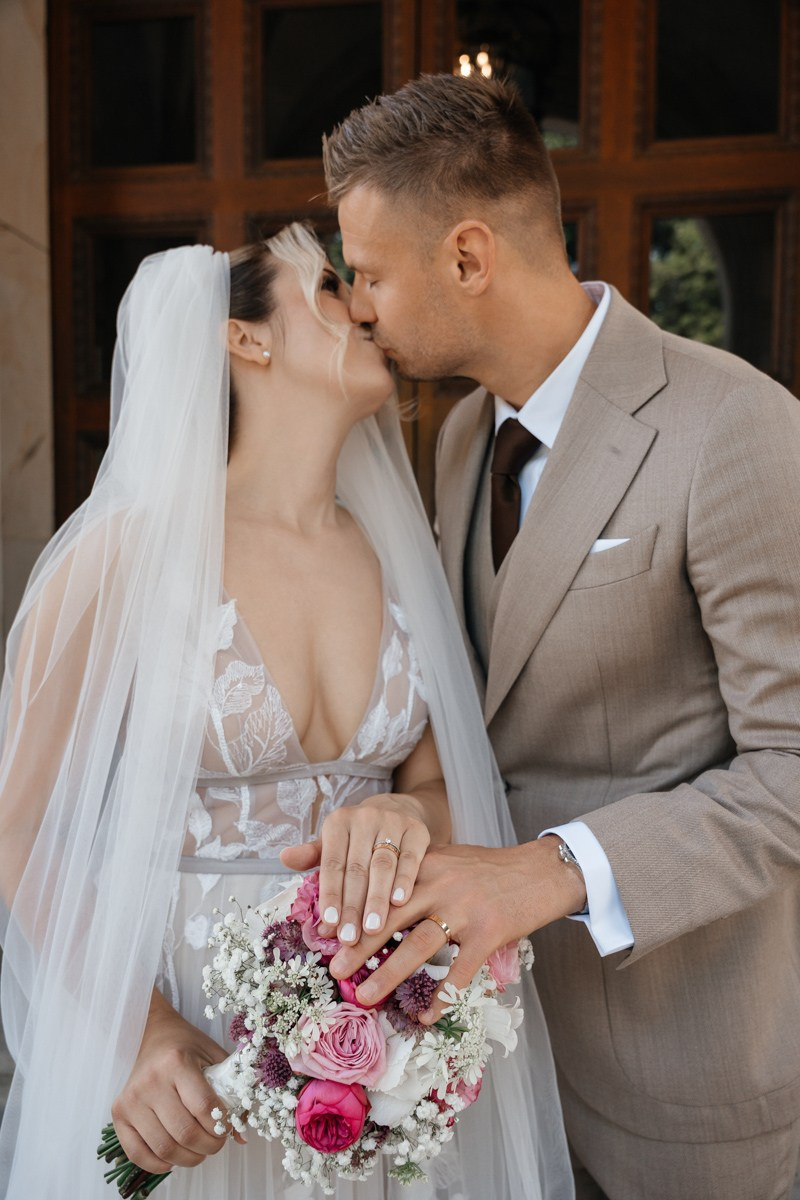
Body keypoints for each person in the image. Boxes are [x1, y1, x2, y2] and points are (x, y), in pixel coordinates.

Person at [0, 223, 573, 1199]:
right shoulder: (120, 559)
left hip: (378, 1012)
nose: (362, 307)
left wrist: (405, 815)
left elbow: (432, 782)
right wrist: (145, 1031)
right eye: (326, 289)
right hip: (176, 1006)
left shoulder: (400, 554)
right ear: (245, 339)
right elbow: (21, 834)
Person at [315, 73, 800, 1200]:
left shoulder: (734, 428)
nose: (361, 307)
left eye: (373, 273)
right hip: (495, 1075)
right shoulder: (457, 441)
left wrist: (548, 872)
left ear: (469, 257)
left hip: (682, 1074)